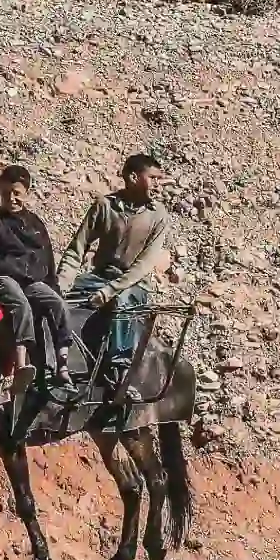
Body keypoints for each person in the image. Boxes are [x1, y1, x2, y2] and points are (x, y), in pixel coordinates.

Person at [56, 152, 172, 398]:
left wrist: (110, 291)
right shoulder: (104, 206)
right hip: (98, 278)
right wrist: (61, 284)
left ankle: (120, 372)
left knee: (122, 302)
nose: (158, 185)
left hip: (133, 284)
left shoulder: (158, 216)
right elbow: (77, 249)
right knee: (53, 301)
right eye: (153, 178)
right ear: (132, 177)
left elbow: (144, 265)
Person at [0, 163, 74, 393]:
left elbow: (48, 261)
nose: (11, 198)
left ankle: (62, 363)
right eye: (6, 193)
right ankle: (22, 364)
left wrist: (53, 286)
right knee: (21, 304)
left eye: (16, 193)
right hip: (4, 277)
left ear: (27, 192)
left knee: (57, 303)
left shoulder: (36, 224)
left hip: (33, 281)